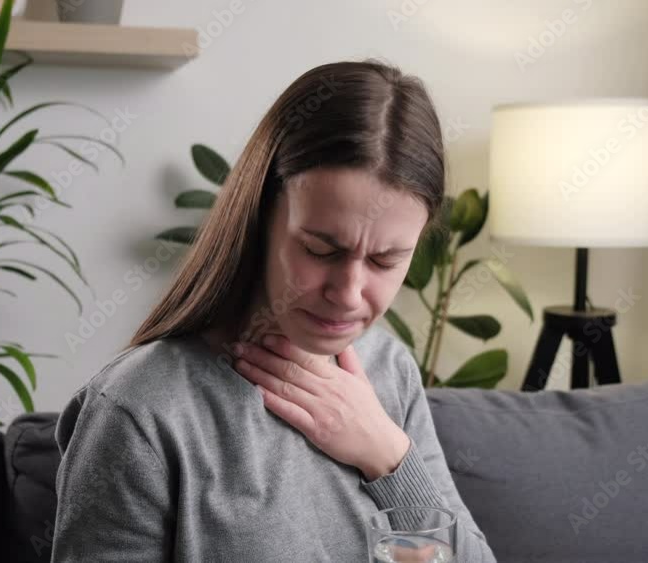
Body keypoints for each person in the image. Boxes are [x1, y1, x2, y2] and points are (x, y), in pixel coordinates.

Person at [51, 59, 497, 562]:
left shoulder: (389, 371)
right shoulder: (140, 410)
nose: (349, 293)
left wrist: (388, 457)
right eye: (320, 250)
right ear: (262, 216)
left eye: (385, 260)